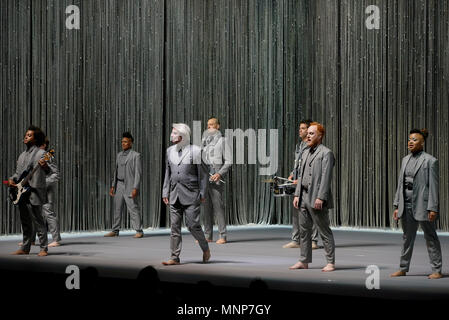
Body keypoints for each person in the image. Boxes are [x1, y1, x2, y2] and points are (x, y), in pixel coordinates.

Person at [390, 129, 443, 279]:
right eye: (409, 139)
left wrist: (432, 208)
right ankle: (403, 267)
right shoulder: (405, 159)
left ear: (422, 143)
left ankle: (437, 270)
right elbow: (400, 183)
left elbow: (433, 186)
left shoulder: (430, 161)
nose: (410, 142)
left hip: (423, 204)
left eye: (414, 140)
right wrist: (397, 205)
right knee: (407, 237)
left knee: (430, 237)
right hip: (406, 203)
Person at [162, 123, 210, 265]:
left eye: (175, 133)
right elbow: (167, 173)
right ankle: (174, 257)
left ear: (183, 136)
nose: (172, 135)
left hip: (191, 193)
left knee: (193, 225)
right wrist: (165, 190)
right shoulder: (169, 151)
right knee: (174, 226)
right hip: (174, 193)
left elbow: (203, 174)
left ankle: (205, 248)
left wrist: (202, 192)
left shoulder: (196, 151)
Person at [290, 122, 336, 272]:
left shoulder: (326, 153)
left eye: (311, 133)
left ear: (320, 136)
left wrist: (321, 197)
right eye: (307, 133)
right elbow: (301, 174)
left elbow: (326, 177)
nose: (308, 136)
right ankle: (304, 260)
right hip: (303, 195)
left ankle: (330, 262)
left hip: (316, 197)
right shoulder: (305, 152)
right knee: (304, 230)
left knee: (323, 230)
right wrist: (297, 194)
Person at [8, 125, 49, 256]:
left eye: (30, 135)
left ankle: (43, 248)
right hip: (22, 191)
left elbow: (50, 171)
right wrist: (12, 179)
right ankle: (25, 248)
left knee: (38, 220)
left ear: (36, 139)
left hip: (35, 190)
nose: (26, 136)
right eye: (26, 134)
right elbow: (18, 173)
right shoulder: (21, 155)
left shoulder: (42, 154)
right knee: (25, 220)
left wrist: (45, 166)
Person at [283, 119, 319, 250]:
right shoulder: (299, 146)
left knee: (312, 211)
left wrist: (302, 178)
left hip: (309, 183)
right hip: (297, 183)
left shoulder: (313, 146)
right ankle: (296, 239)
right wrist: (293, 174)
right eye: (300, 128)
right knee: (296, 210)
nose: (300, 130)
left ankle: (313, 240)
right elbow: (298, 163)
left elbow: (312, 167)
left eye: (303, 128)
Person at [106, 132, 144, 238]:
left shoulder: (136, 155)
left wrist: (135, 187)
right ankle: (115, 230)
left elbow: (138, 173)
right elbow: (116, 171)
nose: (123, 143)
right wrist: (113, 185)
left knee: (133, 208)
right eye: (122, 141)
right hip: (119, 184)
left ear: (130, 143)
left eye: (125, 142)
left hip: (130, 185)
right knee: (117, 208)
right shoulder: (119, 155)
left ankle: (139, 230)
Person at [201, 117, 232, 244]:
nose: (209, 127)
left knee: (218, 207)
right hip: (205, 179)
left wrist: (219, 174)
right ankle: (207, 235)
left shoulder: (223, 141)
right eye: (208, 125)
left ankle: (222, 235)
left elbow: (229, 161)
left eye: (212, 125)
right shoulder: (205, 141)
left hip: (216, 179)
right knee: (206, 208)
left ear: (218, 126)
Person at [27, 138, 61, 247]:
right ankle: (31, 240)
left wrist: (43, 183)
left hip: (46, 188)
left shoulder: (47, 156)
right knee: (33, 212)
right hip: (36, 188)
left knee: (48, 212)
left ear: (44, 145)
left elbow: (55, 175)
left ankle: (56, 240)